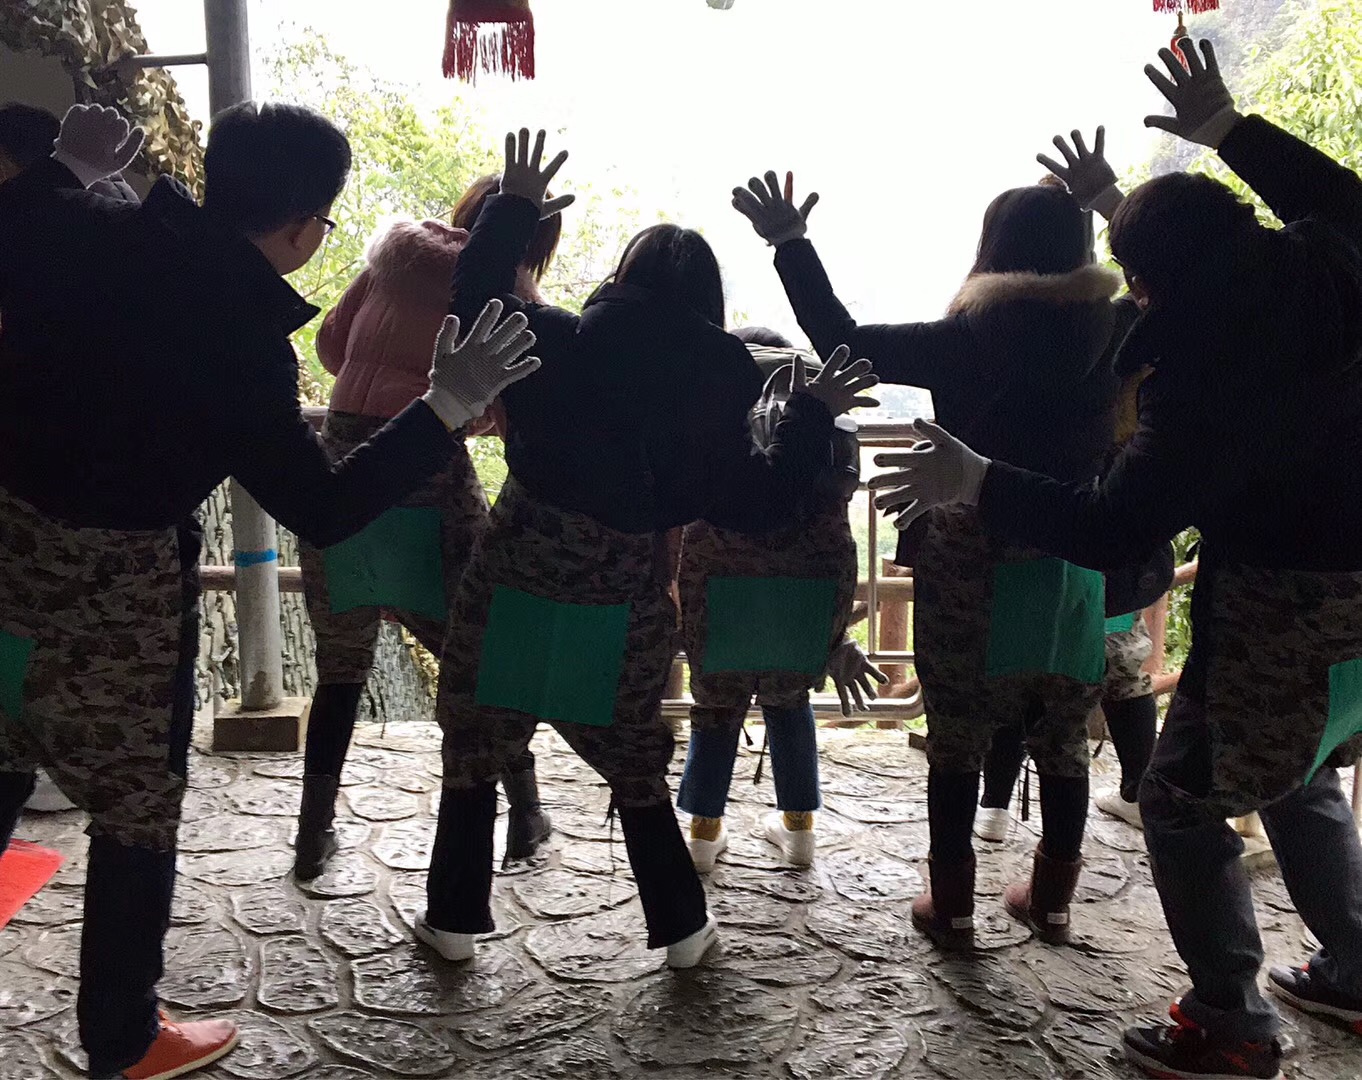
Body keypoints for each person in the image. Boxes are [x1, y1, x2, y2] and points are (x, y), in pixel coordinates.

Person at [0, 103, 537, 1080]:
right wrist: (444, 406)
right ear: (301, 227)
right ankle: (124, 1037)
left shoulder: (93, 224)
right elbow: (324, 508)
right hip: (113, 590)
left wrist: (63, 171)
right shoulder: (244, 338)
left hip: (5, 545)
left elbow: (17, 225)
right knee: (135, 807)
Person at [871, 39, 1362, 1080]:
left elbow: (1110, 526)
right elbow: (1337, 203)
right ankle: (1356, 965)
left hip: (1281, 603)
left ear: (1157, 285)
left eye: (1140, 281)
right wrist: (1230, 134)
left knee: (1183, 801)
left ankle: (1228, 1022)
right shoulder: (1329, 274)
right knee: (1300, 763)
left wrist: (978, 479)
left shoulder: (1201, 381)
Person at [419, 129, 878, 972]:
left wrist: (514, 205)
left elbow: (474, 293)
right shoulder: (729, 381)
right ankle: (683, 932)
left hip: (516, 570)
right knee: (634, 762)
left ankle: (451, 921)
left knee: (476, 739)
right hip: (624, 593)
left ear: (619, 279)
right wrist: (811, 410)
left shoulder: (557, 338)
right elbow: (762, 501)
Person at [734, 165, 1125, 948]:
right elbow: (1193, 298)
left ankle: (952, 905)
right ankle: (1052, 900)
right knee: (1061, 737)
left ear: (993, 251)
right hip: (1071, 551)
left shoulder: (971, 337)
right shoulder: (1120, 328)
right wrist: (1117, 202)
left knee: (956, 736)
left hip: (972, 554)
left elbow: (841, 339)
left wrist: (790, 242)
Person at [292, 175, 563, 879]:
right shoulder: (509, 294)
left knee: (340, 666)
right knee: (480, 652)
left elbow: (331, 345)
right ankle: (525, 812)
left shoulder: (394, 257)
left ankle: (313, 833)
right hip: (426, 470)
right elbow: (513, 406)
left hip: (341, 464)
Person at [975, 156, 1171, 840]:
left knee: (1015, 660)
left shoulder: (985, 327)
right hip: (1113, 513)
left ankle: (992, 807)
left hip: (1014, 519)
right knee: (1118, 660)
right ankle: (1137, 791)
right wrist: (1106, 200)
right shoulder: (1120, 322)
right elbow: (1171, 286)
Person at [677, 325, 885, 871]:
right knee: (790, 702)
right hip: (809, 588)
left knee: (716, 706)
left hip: (719, 583)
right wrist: (834, 638)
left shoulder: (716, 404)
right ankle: (799, 830)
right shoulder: (822, 414)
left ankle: (703, 834)